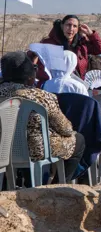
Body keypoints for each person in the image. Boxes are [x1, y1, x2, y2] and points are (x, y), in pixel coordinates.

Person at [0, 52, 87, 184]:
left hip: (3, 148)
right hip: (36, 150)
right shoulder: (42, 97)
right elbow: (66, 129)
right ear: (30, 76)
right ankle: (56, 187)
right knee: (79, 140)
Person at [40, 15, 101, 79]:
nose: (71, 29)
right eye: (68, 25)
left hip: (78, 83)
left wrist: (91, 34)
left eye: (74, 26)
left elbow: (100, 50)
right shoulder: (49, 43)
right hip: (54, 84)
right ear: (62, 26)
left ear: (78, 29)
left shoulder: (81, 44)